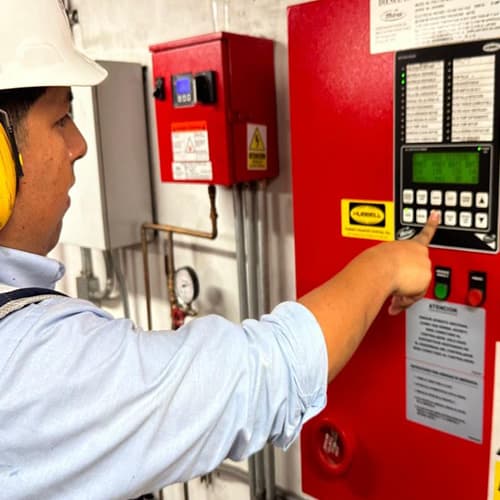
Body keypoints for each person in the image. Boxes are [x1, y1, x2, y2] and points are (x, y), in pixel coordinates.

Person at [0, 0, 439, 498]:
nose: (79, 144)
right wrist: (385, 264)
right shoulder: (30, 361)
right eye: (61, 119)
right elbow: (264, 375)